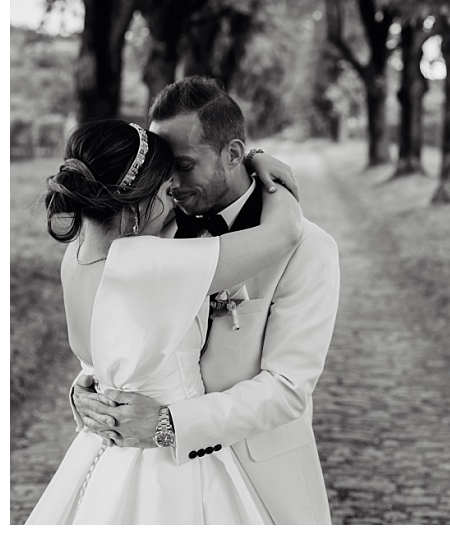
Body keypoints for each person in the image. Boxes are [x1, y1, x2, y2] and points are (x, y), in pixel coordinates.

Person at [66, 76, 340, 524]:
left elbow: (288, 389)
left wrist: (171, 424)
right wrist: (91, 387)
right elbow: (124, 326)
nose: (170, 184)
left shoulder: (309, 248)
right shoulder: (153, 228)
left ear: (233, 154)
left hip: (264, 475)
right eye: (161, 168)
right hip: (157, 478)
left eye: (184, 165)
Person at [27, 119, 304, 523]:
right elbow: (285, 232)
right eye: (163, 188)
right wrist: (257, 163)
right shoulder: (151, 265)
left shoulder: (75, 257)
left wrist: (81, 393)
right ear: (137, 203)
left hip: (103, 454)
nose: (173, 197)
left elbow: (104, 360)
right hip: (171, 467)